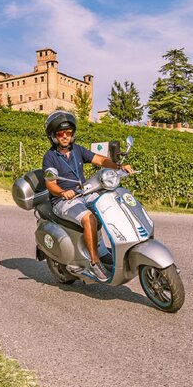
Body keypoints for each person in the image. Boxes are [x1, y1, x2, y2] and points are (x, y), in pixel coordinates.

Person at [42, 111, 133, 282]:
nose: (65, 137)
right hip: (63, 201)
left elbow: (99, 160)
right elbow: (50, 183)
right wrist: (62, 192)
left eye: (68, 133)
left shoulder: (77, 150)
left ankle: (104, 250)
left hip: (83, 194)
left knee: (108, 205)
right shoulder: (50, 157)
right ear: (53, 136)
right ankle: (94, 261)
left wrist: (118, 166)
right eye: (61, 133)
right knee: (89, 218)